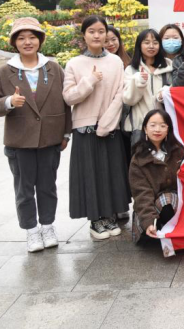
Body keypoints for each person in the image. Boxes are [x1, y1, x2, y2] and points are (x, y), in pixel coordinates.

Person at [0, 17, 72, 252]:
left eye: (32, 37)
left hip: (50, 139)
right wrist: (9, 102)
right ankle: (31, 231)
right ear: (14, 42)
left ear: (40, 40)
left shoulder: (53, 68)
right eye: (21, 38)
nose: (27, 42)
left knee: (47, 186)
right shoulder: (5, 71)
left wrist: (66, 133)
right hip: (20, 141)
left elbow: (66, 103)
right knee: (24, 189)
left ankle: (48, 226)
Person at [62, 15, 130, 240]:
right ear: (84, 35)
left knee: (110, 174)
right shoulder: (74, 63)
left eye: (101, 31)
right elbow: (69, 97)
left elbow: (121, 94)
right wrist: (89, 81)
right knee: (90, 175)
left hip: (110, 127)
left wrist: (107, 123)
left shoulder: (116, 62)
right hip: (85, 128)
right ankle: (95, 220)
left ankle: (109, 216)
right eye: (91, 31)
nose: (97, 35)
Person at [129, 109, 184, 244]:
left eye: (162, 125)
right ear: (145, 128)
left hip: (177, 204)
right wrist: (149, 221)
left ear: (168, 129)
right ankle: (159, 230)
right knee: (166, 200)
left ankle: (177, 233)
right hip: (151, 207)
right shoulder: (138, 159)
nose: (157, 130)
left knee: (169, 199)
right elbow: (142, 193)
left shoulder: (179, 151)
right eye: (153, 125)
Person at [123, 29, 173, 149]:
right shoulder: (131, 70)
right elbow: (128, 100)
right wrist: (138, 82)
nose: (151, 46)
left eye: (155, 42)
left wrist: (162, 95)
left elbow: (174, 91)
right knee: (141, 160)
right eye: (146, 42)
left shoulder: (168, 67)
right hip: (140, 127)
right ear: (139, 45)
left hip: (164, 127)